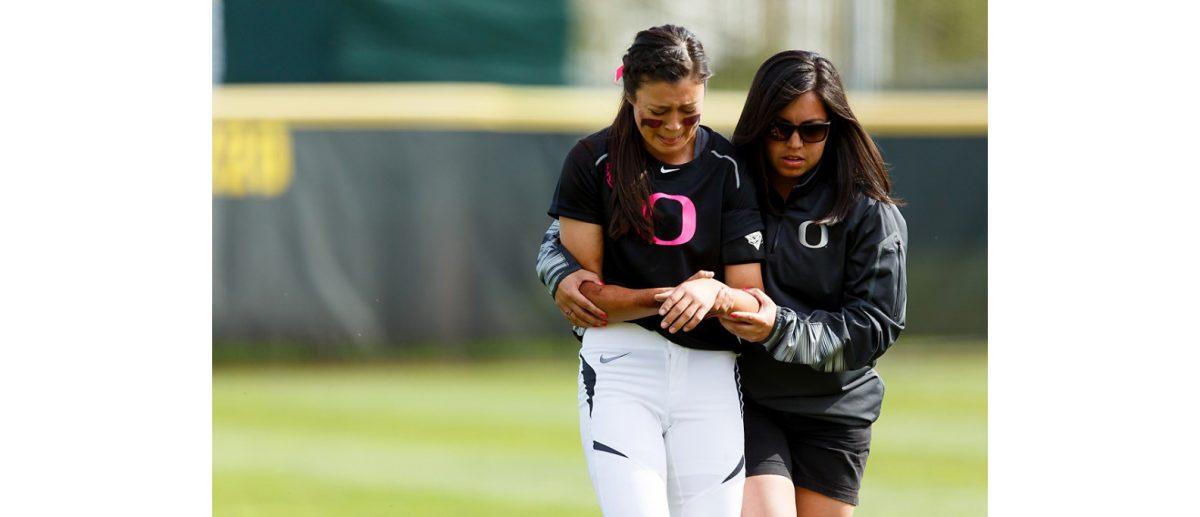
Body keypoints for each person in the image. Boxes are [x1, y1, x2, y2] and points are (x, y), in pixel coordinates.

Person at [538, 50, 907, 517]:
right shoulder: (730, 173)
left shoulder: (869, 211)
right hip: (751, 395)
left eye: (812, 130)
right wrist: (557, 267)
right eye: (780, 129)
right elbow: (570, 231)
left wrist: (777, 327)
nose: (794, 143)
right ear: (759, 122)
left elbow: (876, 326)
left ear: (835, 129)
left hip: (836, 410)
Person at [544, 24, 768, 517]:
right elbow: (588, 299)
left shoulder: (728, 165)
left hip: (711, 369)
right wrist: (670, 297)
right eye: (656, 114)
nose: (673, 127)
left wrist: (717, 297)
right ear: (630, 97)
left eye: (689, 113)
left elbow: (751, 297)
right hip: (622, 364)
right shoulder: (591, 160)